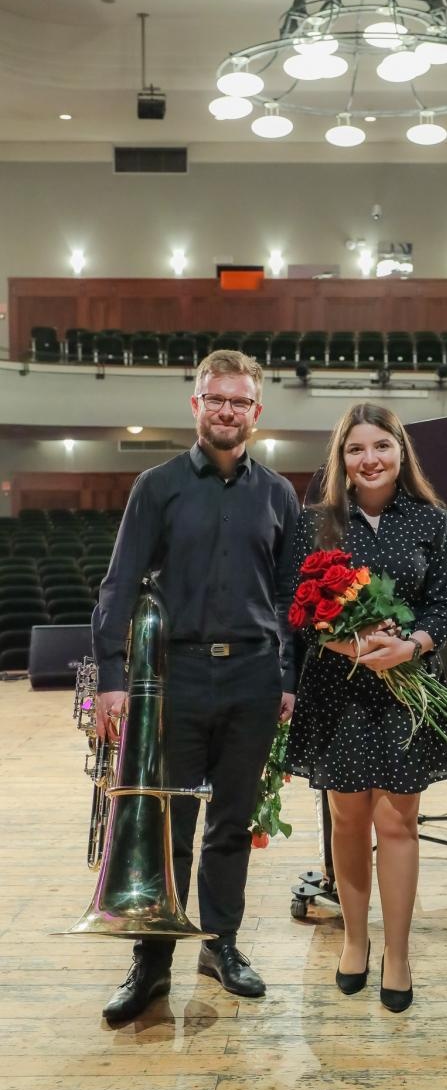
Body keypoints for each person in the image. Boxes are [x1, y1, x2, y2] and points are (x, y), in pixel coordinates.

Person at [93, 349, 299, 1024]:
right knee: (165, 825)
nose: (227, 411)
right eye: (216, 399)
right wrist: (113, 681)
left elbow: (292, 596)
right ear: (196, 406)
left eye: (240, 401)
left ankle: (222, 945)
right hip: (174, 678)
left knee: (232, 823)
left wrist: (288, 679)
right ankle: (151, 963)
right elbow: (120, 584)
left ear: (256, 413)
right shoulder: (156, 486)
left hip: (251, 677)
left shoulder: (279, 494)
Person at [284, 402, 447, 1012]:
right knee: (346, 821)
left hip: (404, 690)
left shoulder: (434, 522)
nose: (369, 459)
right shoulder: (317, 523)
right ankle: (355, 942)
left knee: (398, 822)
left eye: (380, 447)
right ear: (341, 459)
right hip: (339, 689)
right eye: (355, 449)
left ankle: (398, 952)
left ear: (400, 453)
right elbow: (298, 607)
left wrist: (410, 645)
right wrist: (349, 641)